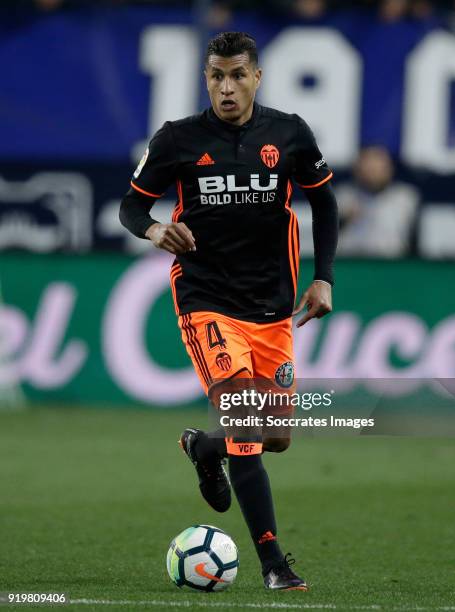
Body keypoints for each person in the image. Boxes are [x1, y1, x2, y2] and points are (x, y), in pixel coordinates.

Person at [120, 31, 338, 591]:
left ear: (257, 77)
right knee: (247, 422)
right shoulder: (177, 139)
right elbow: (131, 205)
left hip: (271, 306)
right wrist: (154, 228)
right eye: (216, 76)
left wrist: (322, 277)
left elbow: (324, 199)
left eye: (238, 75)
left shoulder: (288, 133)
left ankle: (202, 447)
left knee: (276, 435)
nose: (227, 87)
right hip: (206, 299)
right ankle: (273, 565)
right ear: (206, 80)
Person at [335, 146, 419, 257]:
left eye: (378, 169)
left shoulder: (406, 198)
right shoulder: (342, 196)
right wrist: (343, 220)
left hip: (392, 265)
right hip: (351, 264)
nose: (373, 175)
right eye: (368, 169)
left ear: (389, 170)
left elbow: (418, 242)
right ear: (357, 171)